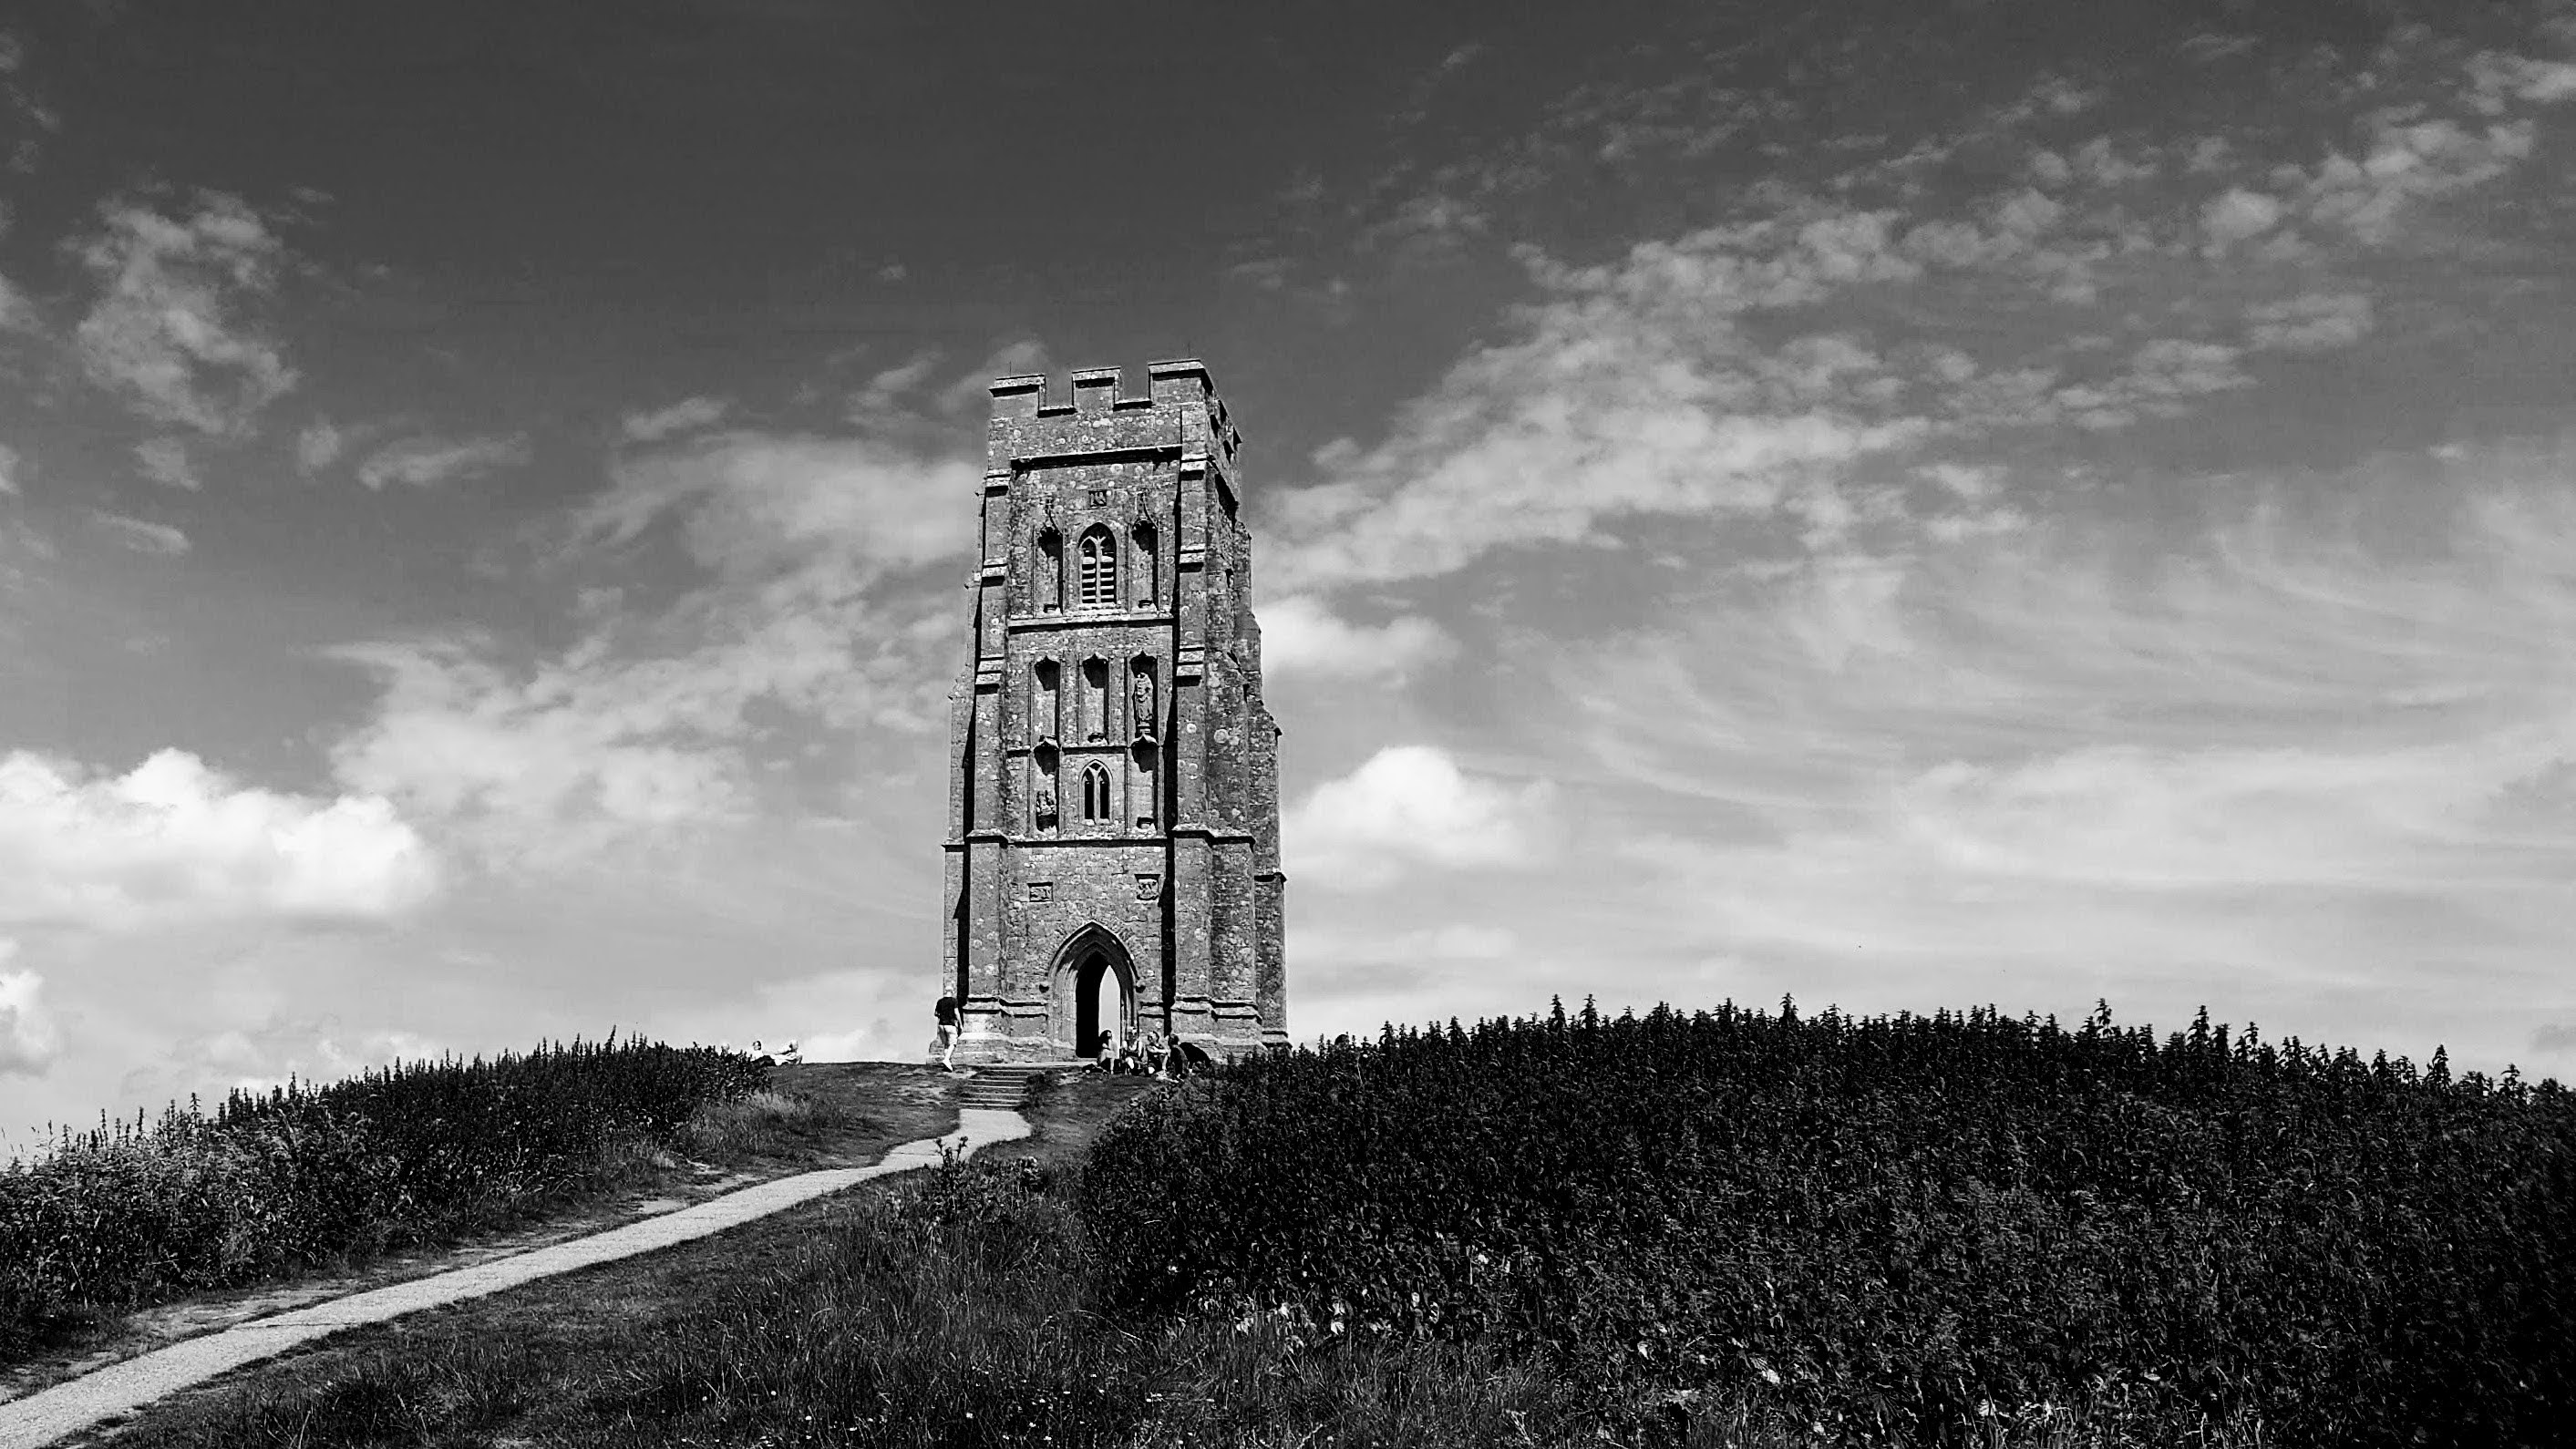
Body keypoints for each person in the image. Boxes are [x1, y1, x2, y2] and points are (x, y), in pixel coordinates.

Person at [934, 995, 961, 1072]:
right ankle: (946, 1059)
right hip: (950, 1025)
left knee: (946, 1044)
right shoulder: (954, 1001)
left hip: (941, 1025)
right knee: (953, 1044)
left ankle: (947, 1063)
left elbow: (936, 1013)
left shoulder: (940, 1001)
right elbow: (956, 1012)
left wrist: (942, 1015)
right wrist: (960, 1024)